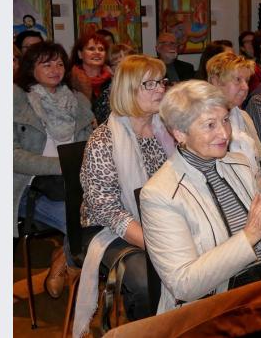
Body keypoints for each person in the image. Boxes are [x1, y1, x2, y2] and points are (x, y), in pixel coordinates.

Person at [141, 80, 261, 313]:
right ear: (180, 133)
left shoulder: (238, 165)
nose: (224, 133)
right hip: (209, 308)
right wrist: (251, 234)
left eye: (225, 120)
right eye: (210, 125)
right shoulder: (160, 193)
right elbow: (183, 285)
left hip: (258, 288)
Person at [73, 55, 176, 336]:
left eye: (162, 82)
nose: (160, 89)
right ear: (129, 91)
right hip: (111, 228)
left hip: (159, 218)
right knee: (146, 280)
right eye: (150, 84)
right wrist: (152, 241)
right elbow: (106, 207)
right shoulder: (104, 139)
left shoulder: (165, 130)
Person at [14, 41, 94, 298]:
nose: (55, 69)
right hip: (32, 186)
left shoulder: (78, 100)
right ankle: (70, 259)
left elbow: (92, 143)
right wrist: (61, 166)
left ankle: (62, 259)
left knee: (108, 211)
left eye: (59, 63)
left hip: (79, 182)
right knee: (85, 221)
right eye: (46, 64)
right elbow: (11, 156)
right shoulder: (16, 99)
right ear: (30, 68)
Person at [206, 52, 261, 190]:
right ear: (215, 82)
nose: (245, 87)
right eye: (238, 80)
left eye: (246, 81)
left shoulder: (243, 117)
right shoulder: (203, 123)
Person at [93, 43, 137, 124]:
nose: (128, 68)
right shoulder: (106, 97)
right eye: (120, 64)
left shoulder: (142, 89)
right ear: (108, 69)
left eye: (131, 63)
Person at [70, 32, 112, 104]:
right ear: (80, 54)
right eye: (91, 49)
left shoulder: (112, 80)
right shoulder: (70, 80)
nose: (97, 52)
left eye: (101, 49)